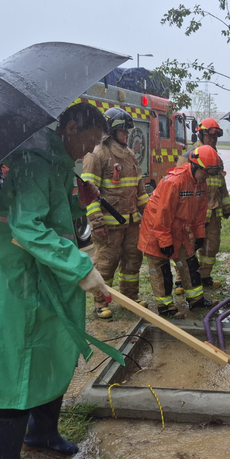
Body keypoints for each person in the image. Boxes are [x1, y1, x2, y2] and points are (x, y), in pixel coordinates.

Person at [0, 103, 124, 459]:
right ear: (69, 128)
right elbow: (28, 226)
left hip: (48, 282)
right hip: (19, 285)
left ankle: (42, 434)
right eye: (89, 141)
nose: (89, 152)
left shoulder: (56, 166)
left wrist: (78, 203)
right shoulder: (34, 163)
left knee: (51, 355)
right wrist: (81, 269)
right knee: (15, 372)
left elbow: (55, 218)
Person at [81, 107, 150, 319]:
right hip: (108, 226)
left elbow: (139, 189)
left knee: (132, 261)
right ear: (112, 131)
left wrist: (147, 214)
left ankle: (130, 298)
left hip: (131, 223)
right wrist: (97, 223)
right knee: (106, 264)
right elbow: (88, 194)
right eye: (124, 131)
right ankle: (101, 302)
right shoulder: (97, 155)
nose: (127, 135)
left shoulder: (130, 155)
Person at [138, 145, 221, 319]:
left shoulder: (200, 183)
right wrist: (164, 241)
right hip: (156, 228)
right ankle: (165, 305)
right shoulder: (174, 182)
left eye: (210, 173)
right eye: (206, 172)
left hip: (179, 229)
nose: (207, 177)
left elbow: (200, 212)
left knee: (189, 262)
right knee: (161, 268)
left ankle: (195, 299)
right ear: (195, 165)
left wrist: (199, 234)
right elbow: (163, 215)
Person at [174, 117, 230, 291]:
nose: (213, 139)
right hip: (193, 215)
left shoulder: (216, 159)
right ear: (200, 134)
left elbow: (221, 185)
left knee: (211, 247)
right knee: (188, 247)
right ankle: (181, 280)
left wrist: (227, 206)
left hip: (213, 213)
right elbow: (178, 186)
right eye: (210, 136)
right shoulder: (188, 157)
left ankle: (204, 276)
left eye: (216, 137)